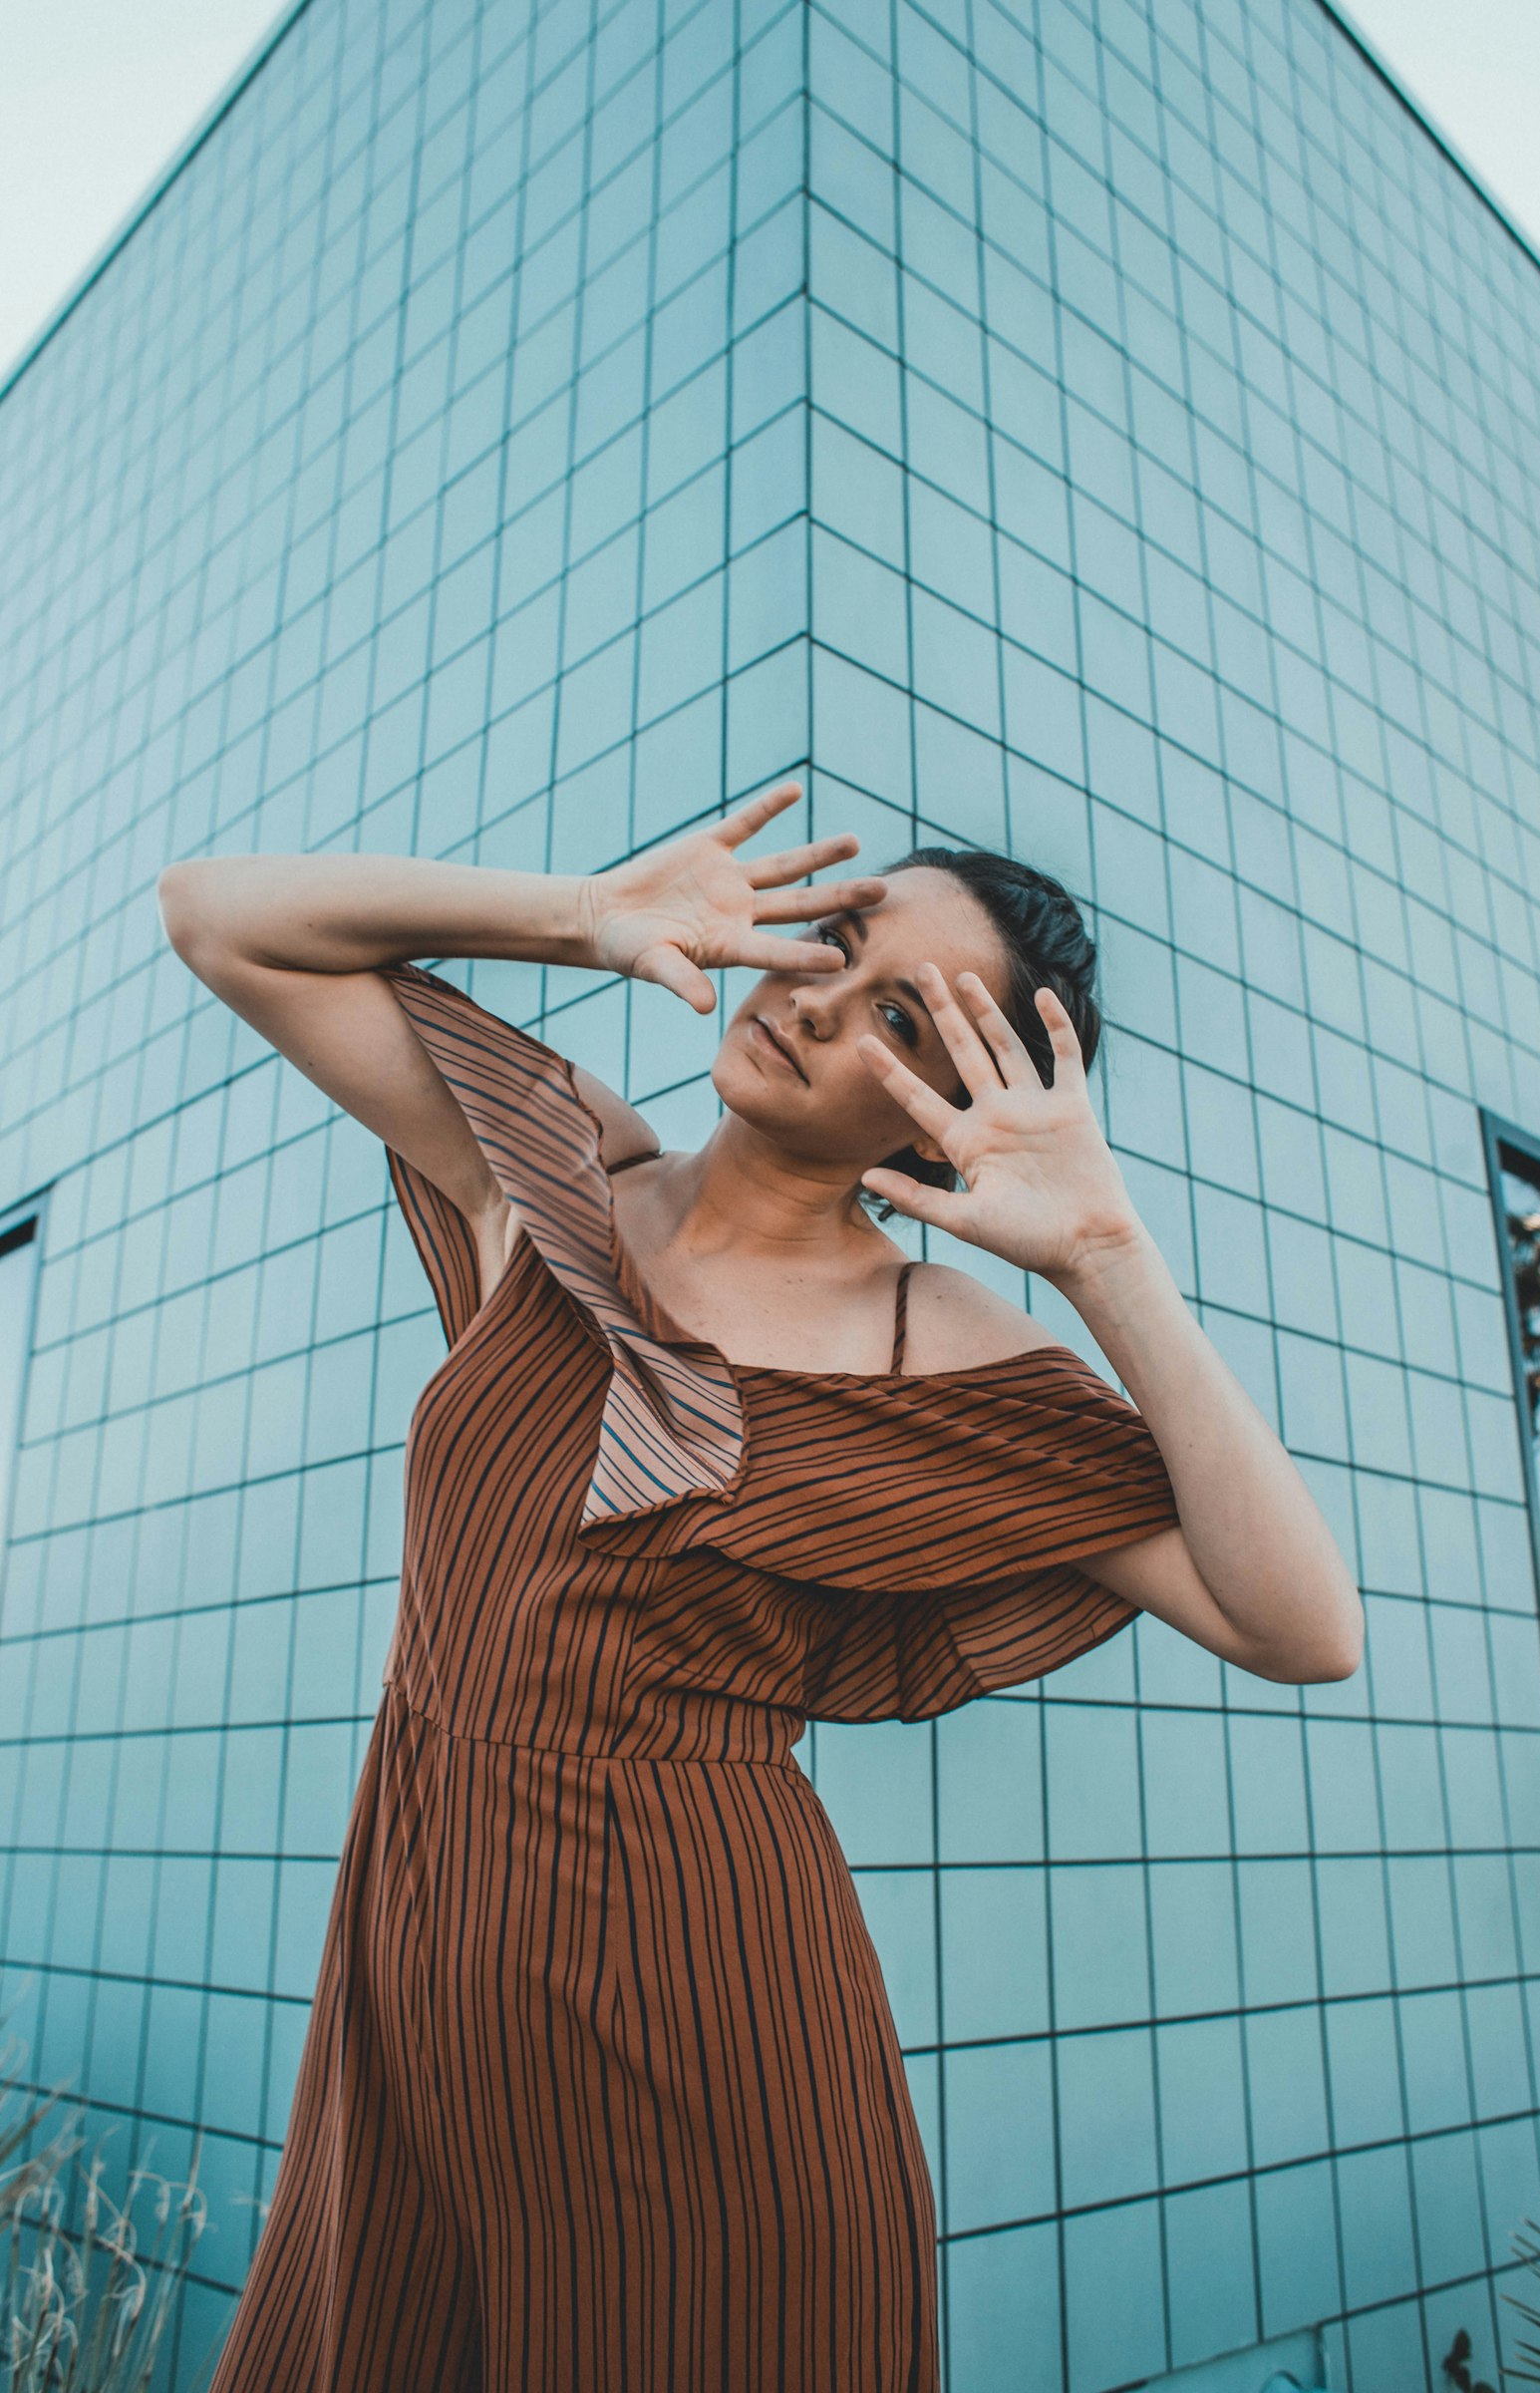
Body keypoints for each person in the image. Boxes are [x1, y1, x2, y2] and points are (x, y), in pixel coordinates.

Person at [159, 780, 1362, 2392]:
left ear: (942, 1111)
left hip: (707, 2006)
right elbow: (216, 915)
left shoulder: (929, 1341)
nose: (813, 1000)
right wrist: (585, 916)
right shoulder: (556, 1170)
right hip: (420, 1957)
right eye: (836, 944)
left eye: (894, 1019)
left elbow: (1303, 1626)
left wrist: (1105, 1256)